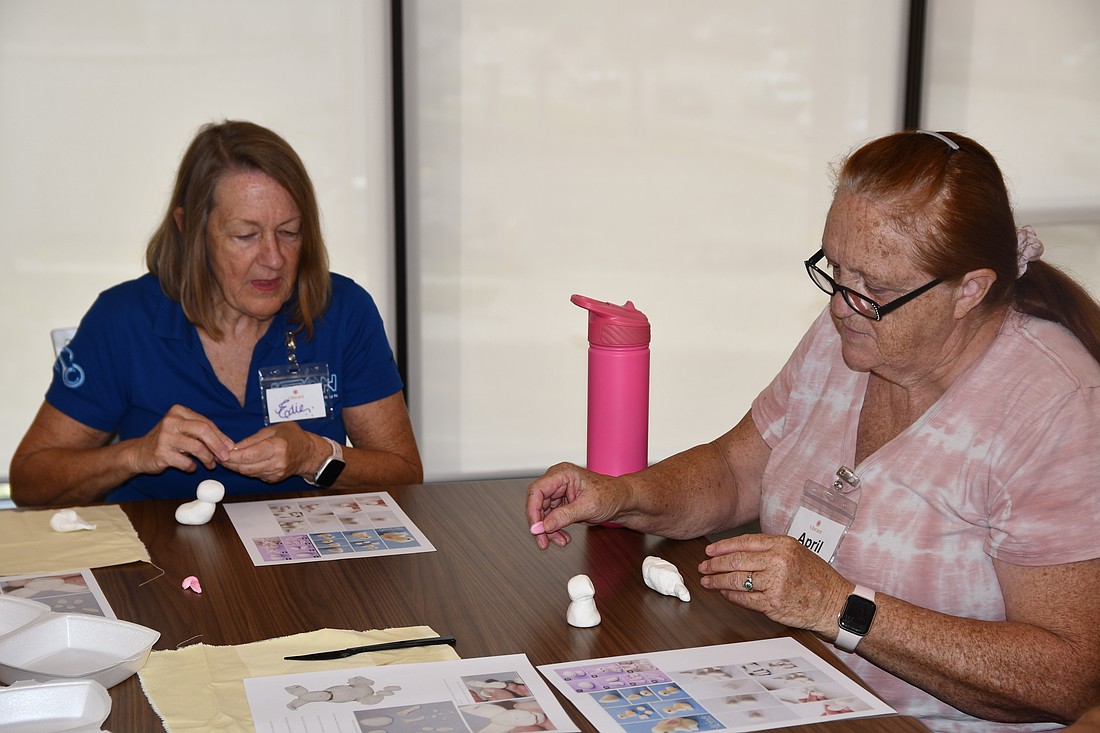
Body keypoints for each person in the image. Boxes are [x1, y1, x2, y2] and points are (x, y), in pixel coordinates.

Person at [526, 130, 1100, 731]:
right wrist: (623, 495)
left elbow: (1069, 677)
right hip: (790, 690)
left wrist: (841, 608)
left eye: (875, 288)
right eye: (835, 269)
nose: (840, 307)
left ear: (970, 290)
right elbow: (736, 469)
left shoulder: (1053, 406)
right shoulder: (853, 335)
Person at [10, 120, 422, 504]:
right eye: (245, 235)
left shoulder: (343, 310)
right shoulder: (125, 320)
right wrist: (135, 454)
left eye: (289, 232)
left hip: (302, 568)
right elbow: (30, 480)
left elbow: (405, 473)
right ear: (189, 229)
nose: (274, 259)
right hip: (158, 568)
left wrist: (314, 456)